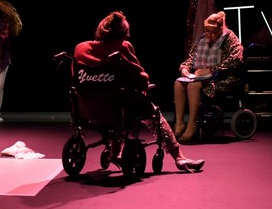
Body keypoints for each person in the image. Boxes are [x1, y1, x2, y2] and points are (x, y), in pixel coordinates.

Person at [74, 11, 205, 172]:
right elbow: (142, 80)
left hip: (88, 109)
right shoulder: (123, 49)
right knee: (151, 113)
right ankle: (179, 157)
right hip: (117, 110)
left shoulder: (81, 48)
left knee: (111, 99)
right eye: (126, 34)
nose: (128, 37)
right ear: (121, 36)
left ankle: (114, 153)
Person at [174, 11, 243, 142]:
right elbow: (191, 58)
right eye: (207, 30)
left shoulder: (230, 38)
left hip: (223, 78)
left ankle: (192, 125)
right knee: (179, 83)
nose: (209, 34)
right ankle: (180, 123)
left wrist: (210, 70)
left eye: (212, 32)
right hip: (204, 77)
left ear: (220, 30)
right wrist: (184, 68)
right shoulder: (203, 39)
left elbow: (236, 59)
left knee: (193, 86)